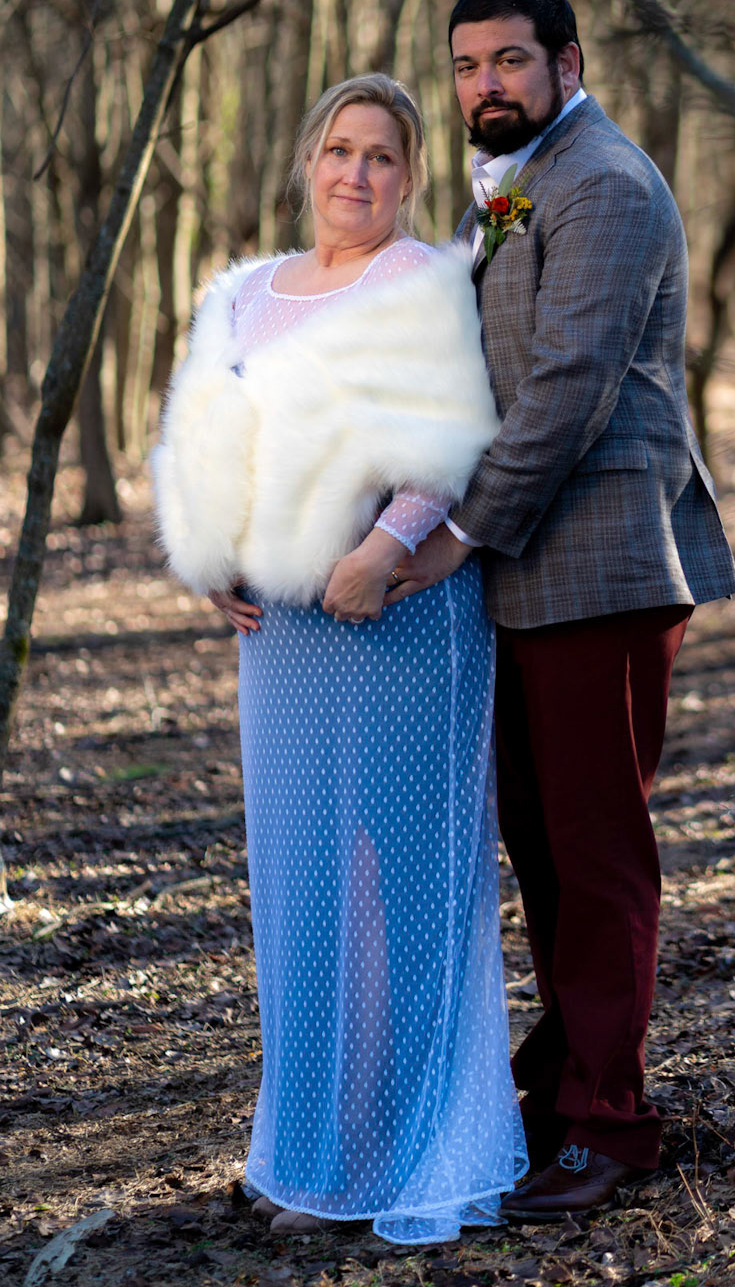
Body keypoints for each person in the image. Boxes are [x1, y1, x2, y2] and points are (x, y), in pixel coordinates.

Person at [151, 73, 526, 1244]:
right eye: (339, 149)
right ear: (307, 158)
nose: (355, 173)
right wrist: (205, 549)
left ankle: (418, 1152)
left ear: (409, 178)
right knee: (306, 890)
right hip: (284, 647)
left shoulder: (418, 278)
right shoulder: (244, 294)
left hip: (401, 618)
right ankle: (319, 1149)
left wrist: (383, 550)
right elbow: (200, 440)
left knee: (406, 885)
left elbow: (448, 437)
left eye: (381, 156)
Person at [387, 0, 735, 1218]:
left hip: (601, 562)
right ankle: (560, 1085)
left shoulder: (605, 184)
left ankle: (610, 1124)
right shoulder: (512, 188)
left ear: (567, 60)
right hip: (526, 578)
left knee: (594, 855)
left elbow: (572, 389)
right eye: (469, 61)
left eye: (510, 60)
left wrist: (457, 533)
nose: (486, 81)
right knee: (541, 847)